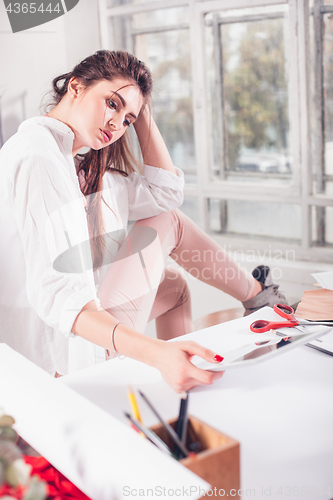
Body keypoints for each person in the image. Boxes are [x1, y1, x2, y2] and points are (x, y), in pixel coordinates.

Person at [0, 50, 286, 393]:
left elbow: (166, 192)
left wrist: (140, 105)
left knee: (175, 288)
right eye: (111, 104)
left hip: (78, 334)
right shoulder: (38, 157)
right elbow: (61, 298)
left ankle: (188, 383)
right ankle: (259, 297)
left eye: (127, 121)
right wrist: (157, 353)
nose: (116, 125)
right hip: (68, 353)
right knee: (169, 222)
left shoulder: (78, 165)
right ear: (75, 87)